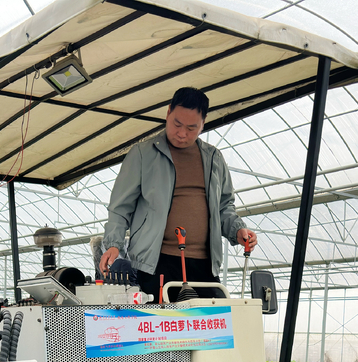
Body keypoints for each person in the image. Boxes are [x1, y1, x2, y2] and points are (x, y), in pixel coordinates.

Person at [99, 87, 256, 301]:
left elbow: (224, 207)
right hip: (156, 264)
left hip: (205, 266)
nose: (182, 134)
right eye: (177, 124)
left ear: (204, 122)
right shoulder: (142, 154)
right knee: (162, 329)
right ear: (168, 112)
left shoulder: (214, 159)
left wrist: (238, 231)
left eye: (192, 128)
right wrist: (113, 245)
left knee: (212, 330)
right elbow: (120, 208)